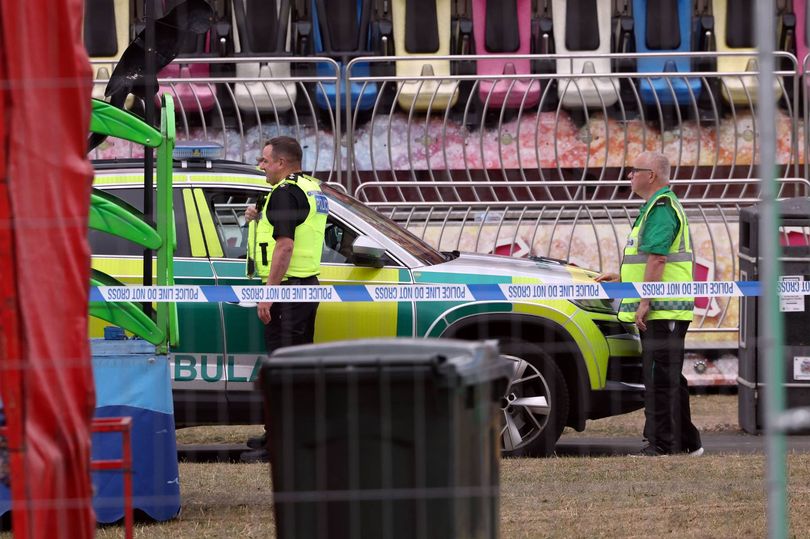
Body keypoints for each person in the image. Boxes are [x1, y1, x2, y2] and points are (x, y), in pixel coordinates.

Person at [596, 151, 703, 457]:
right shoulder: (656, 207)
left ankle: (661, 445)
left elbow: (658, 258)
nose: (629, 175)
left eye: (634, 171)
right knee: (670, 376)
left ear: (651, 175)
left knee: (658, 376)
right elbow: (650, 260)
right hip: (665, 307)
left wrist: (645, 300)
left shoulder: (660, 207)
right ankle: (687, 442)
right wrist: (622, 276)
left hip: (662, 308)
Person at [240, 136, 328, 463]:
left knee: (282, 368)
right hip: (306, 288)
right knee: (296, 366)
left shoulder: (284, 193)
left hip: (288, 292)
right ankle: (280, 433)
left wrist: (269, 293)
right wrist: (258, 212)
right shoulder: (310, 187)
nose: (261, 165)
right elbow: (299, 223)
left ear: (280, 163)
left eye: (265, 160)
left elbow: (286, 245)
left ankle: (281, 444)